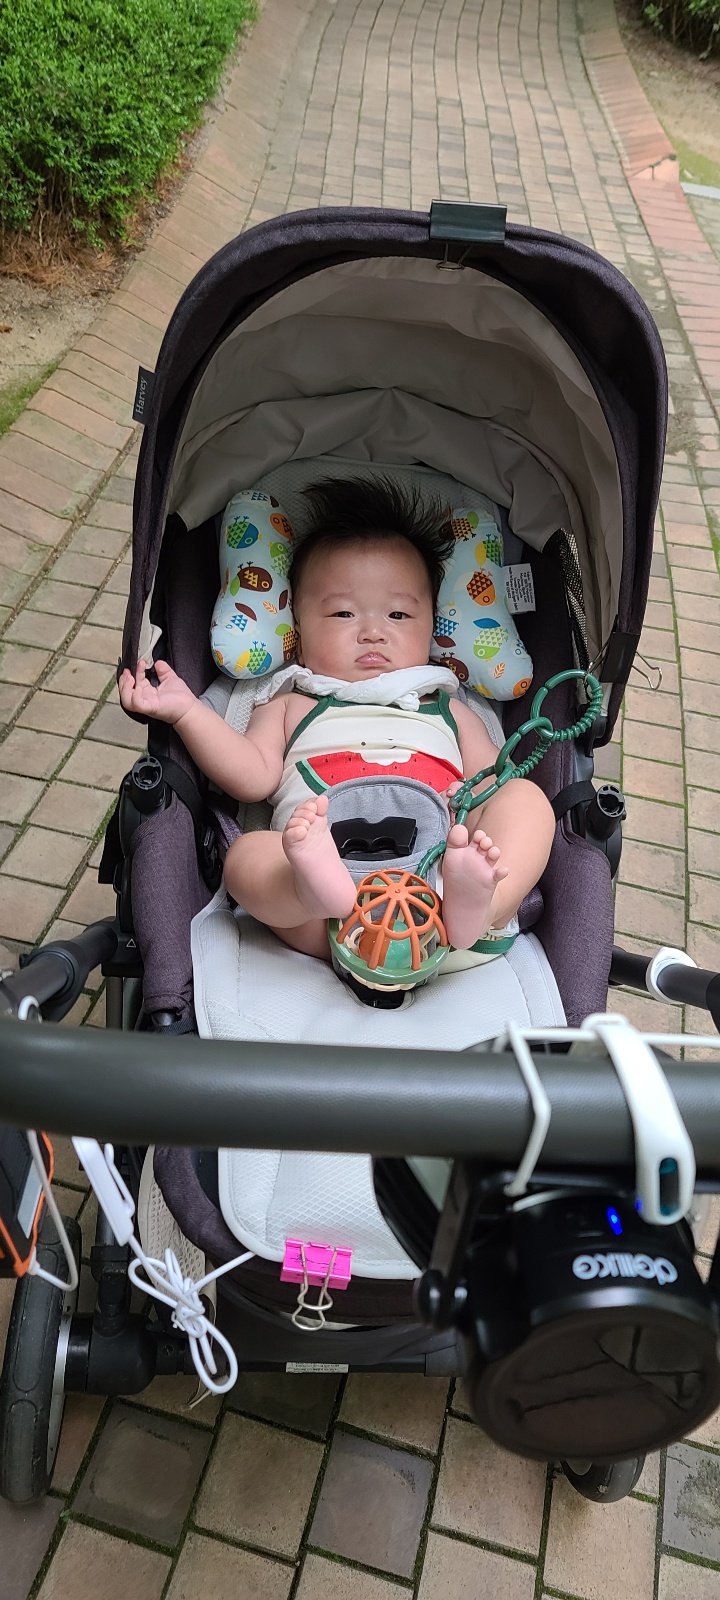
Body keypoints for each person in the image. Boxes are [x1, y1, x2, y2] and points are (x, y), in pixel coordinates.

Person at [119, 478, 555, 962]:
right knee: (246, 855)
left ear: (433, 628)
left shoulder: (448, 707)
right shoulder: (292, 702)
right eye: (344, 614)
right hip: (324, 905)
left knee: (525, 799)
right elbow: (251, 776)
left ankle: (480, 903)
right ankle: (311, 889)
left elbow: (493, 783)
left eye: (398, 615)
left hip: (435, 876)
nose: (372, 632)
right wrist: (187, 711)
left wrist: (478, 798)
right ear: (298, 633)